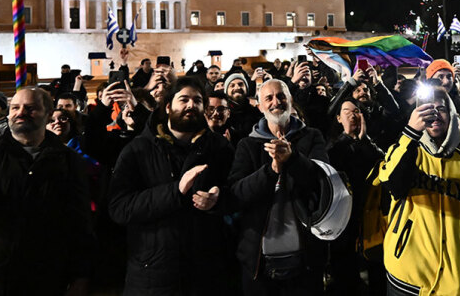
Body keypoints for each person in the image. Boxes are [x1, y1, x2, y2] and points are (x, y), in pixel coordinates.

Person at [0, 87, 94, 295]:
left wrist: (81, 275)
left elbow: (79, 220)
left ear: (48, 114)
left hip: (40, 275)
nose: (20, 113)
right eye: (15, 108)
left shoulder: (68, 161)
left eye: (30, 108)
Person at [108, 76, 235, 295]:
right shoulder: (138, 149)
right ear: (168, 107)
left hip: (206, 270)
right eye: (183, 99)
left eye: (197, 100)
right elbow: (120, 208)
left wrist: (218, 198)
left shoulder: (219, 147)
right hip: (154, 271)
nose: (190, 106)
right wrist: (175, 191)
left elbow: (236, 192)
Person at [376, 86, 460, 296]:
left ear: (452, 115)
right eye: (428, 108)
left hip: (454, 284)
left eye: (442, 109)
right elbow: (393, 184)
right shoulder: (404, 151)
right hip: (407, 280)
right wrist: (411, 132)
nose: (435, 114)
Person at [230, 79, 329, 296]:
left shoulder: (312, 137)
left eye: (281, 96)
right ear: (260, 106)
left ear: (291, 100)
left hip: (305, 259)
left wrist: (293, 159)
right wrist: (272, 170)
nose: (276, 102)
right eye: (269, 98)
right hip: (259, 263)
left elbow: (322, 182)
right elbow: (237, 194)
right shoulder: (247, 145)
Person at [326, 98, 384, 295]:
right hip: (344, 218)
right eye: (347, 111)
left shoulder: (370, 144)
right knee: (346, 273)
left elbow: (383, 164)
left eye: (357, 111)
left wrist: (365, 140)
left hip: (370, 216)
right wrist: (351, 140)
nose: (353, 114)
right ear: (338, 118)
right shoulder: (332, 148)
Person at [224, 72, 262, 146]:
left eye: (241, 84)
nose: (237, 87)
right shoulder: (223, 113)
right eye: (232, 85)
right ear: (226, 91)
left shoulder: (255, 112)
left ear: (246, 89)